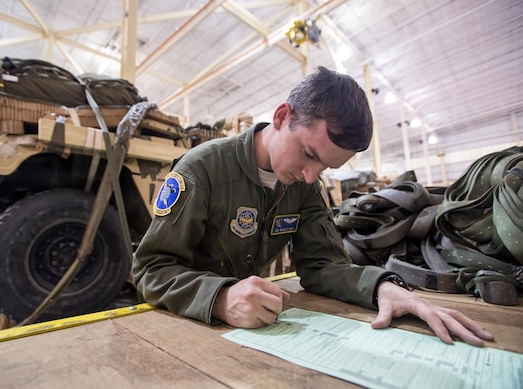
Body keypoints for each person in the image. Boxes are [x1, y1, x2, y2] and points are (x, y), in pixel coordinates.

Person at [133, 66, 494, 347]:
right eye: (309, 154)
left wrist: (384, 287)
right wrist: (220, 298)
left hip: (249, 329)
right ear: (281, 117)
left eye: (326, 168)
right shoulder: (202, 170)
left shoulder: (305, 186)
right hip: (181, 322)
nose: (310, 176)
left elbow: (322, 265)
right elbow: (151, 268)